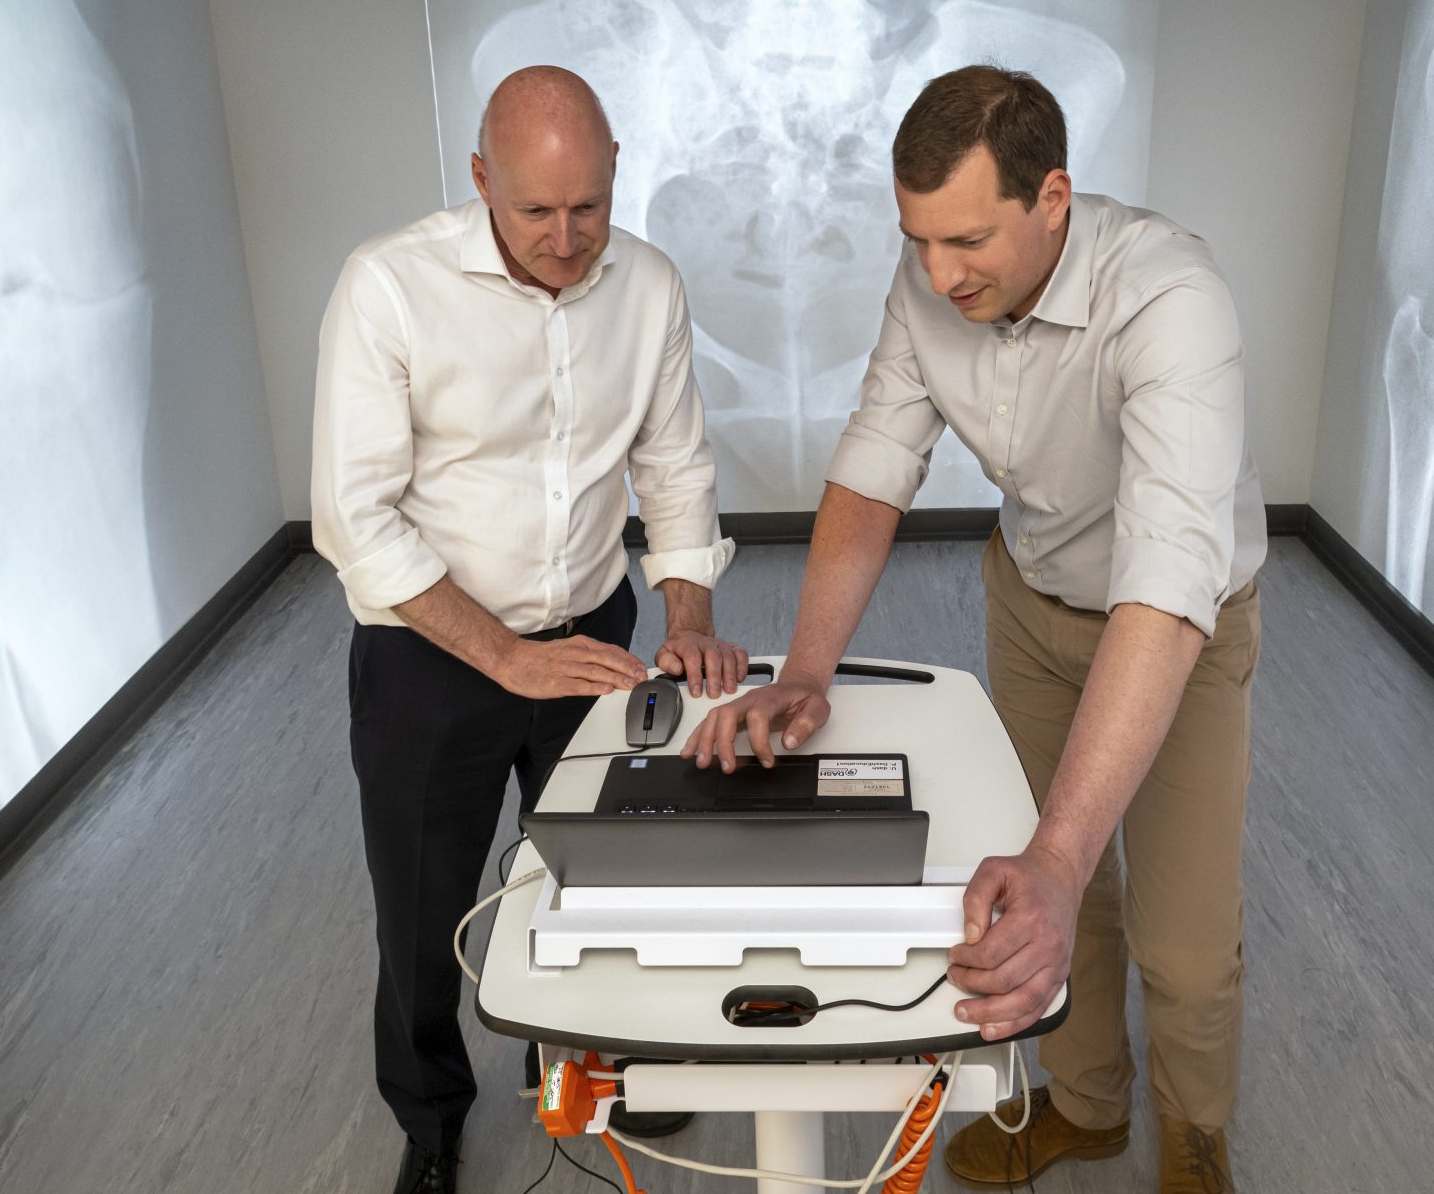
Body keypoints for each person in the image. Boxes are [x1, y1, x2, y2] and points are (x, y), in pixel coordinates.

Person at [684, 65, 1266, 1193]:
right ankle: (1089, 1104)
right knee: (1062, 900)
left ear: (1051, 197)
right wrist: (808, 667)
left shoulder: (1171, 299)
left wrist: (1057, 846)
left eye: (965, 239)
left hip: (1177, 635)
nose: (939, 273)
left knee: (1181, 940)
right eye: (917, 240)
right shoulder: (930, 283)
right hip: (1033, 600)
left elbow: (1165, 581)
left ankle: (1195, 1127)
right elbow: (873, 464)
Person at [312, 66, 747, 1194]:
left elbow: (673, 462)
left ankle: (582, 1057)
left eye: (588, 207)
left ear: (614, 181)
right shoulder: (389, 285)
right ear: (478, 182)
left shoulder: (648, 285)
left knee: (601, 876)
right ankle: (431, 1117)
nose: (566, 238)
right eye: (535, 211)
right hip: (430, 653)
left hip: (592, 631)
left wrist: (687, 610)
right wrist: (504, 655)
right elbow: (354, 516)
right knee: (424, 904)